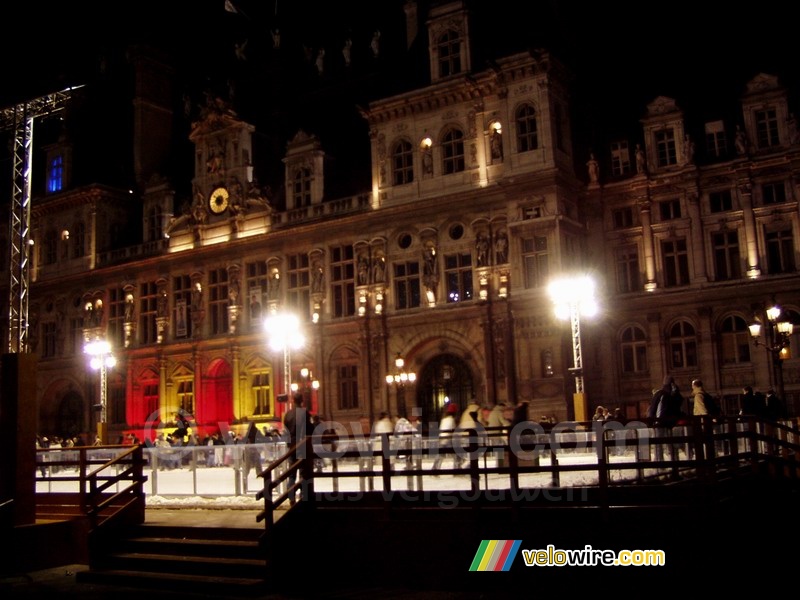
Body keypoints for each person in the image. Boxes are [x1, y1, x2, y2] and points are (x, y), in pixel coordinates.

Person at [282, 392, 314, 505]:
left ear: (293, 401)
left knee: (292, 473)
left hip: (292, 447)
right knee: (303, 473)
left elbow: (285, 431)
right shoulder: (305, 413)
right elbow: (310, 429)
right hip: (302, 446)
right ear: (302, 401)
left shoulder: (288, 414)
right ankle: (303, 496)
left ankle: (291, 496)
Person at [432, 403, 460, 471]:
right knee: (456, 454)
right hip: (448, 440)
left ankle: (435, 468)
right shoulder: (452, 420)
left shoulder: (444, 419)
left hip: (441, 438)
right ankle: (457, 468)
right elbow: (453, 431)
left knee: (440, 454)